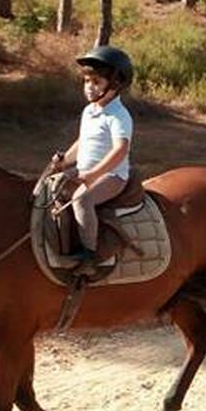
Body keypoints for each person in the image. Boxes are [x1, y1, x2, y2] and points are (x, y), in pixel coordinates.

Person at [50, 46, 135, 266]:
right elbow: (83, 142)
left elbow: (120, 150)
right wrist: (64, 161)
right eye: (87, 81)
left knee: (82, 199)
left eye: (96, 82)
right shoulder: (90, 111)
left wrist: (92, 175)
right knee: (52, 187)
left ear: (115, 84)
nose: (89, 87)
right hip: (85, 170)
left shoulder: (118, 116)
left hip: (112, 176)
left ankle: (90, 254)